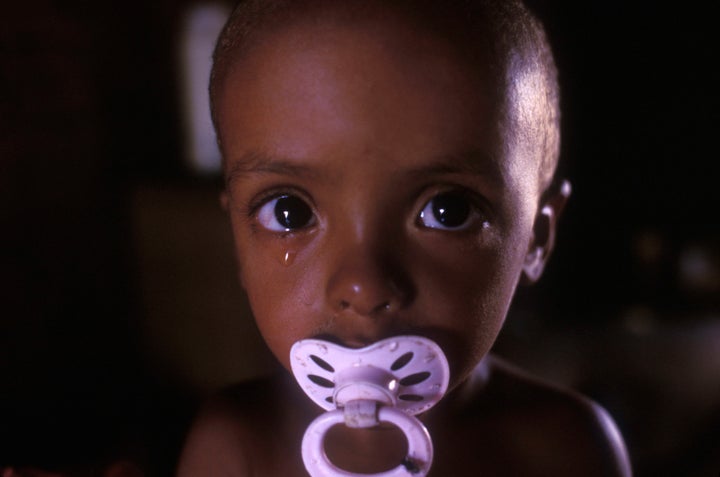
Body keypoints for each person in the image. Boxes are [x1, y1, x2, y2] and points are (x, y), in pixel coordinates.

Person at [177, 0, 632, 475]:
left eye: (447, 210)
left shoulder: (568, 448)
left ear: (536, 238)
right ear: (236, 239)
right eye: (289, 213)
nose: (363, 288)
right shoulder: (233, 449)